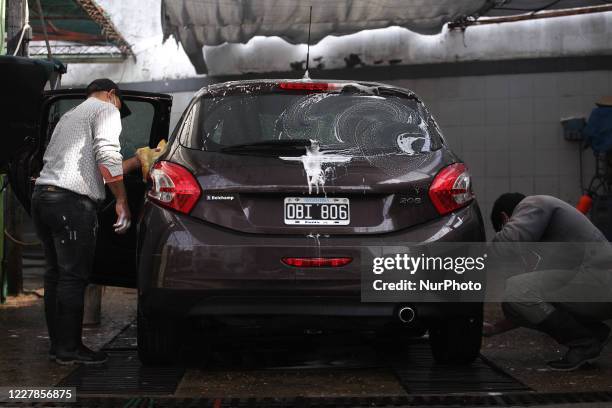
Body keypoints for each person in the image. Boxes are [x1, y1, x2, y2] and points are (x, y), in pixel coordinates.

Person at [31, 79, 141, 365]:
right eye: (119, 103)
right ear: (112, 95)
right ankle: (70, 349)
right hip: (70, 204)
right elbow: (106, 156)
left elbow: (89, 163)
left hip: (43, 198)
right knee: (72, 277)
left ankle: (59, 347)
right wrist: (121, 200)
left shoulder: (71, 115)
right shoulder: (106, 110)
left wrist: (138, 160)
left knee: (55, 274)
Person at [486, 193, 612, 371]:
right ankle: (593, 333)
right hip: (597, 286)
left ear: (505, 218)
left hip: (602, 279)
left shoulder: (534, 203)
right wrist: (495, 328)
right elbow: (531, 304)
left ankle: (585, 343)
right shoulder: (550, 243)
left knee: (516, 288)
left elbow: (508, 244)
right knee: (513, 304)